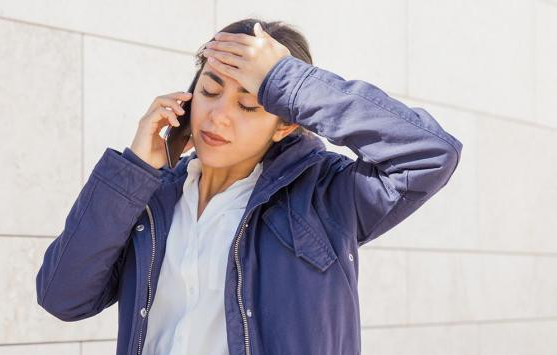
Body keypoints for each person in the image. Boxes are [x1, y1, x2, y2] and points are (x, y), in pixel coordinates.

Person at [36, 18, 463, 355]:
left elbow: (431, 153)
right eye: (210, 90)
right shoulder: (152, 197)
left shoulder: (325, 196)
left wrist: (286, 81)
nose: (218, 116)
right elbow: (62, 296)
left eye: (248, 104)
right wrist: (133, 171)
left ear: (287, 124)